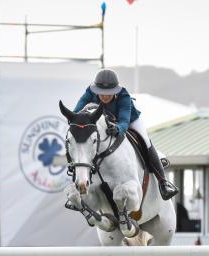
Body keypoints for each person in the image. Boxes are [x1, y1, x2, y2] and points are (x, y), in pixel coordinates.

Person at [73, 69, 179, 200]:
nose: (105, 97)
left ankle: (163, 183)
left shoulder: (124, 96)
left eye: (109, 94)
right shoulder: (90, 92)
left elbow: (124, 121)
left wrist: (118, 129)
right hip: (103, 122)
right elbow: (77, 112)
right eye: (102, 93)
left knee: (145, 140)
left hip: (129, 120)